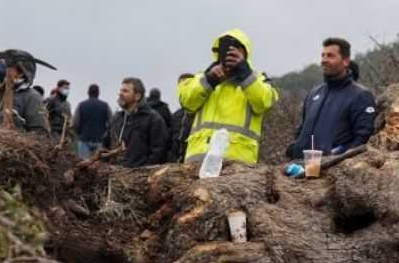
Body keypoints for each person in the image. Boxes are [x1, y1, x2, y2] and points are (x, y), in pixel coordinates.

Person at [178, 29, 279, 164]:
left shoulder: (258, 80)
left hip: (237, 165)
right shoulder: (203, 77)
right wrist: (209, 80)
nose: (231, 54)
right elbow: (186, 102)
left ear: (245, 54)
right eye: (227, 49)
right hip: (198, 161)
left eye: (237, 50)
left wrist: (245, 72)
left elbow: (263, 103)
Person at [287, 37, 376, 158]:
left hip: (333, 172)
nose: (324, 60)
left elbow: (363, 137)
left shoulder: (360, 96)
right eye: (323, 55)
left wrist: (338, 160)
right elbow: (301, 130)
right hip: (301, 168)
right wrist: (296, 149)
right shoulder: (314, 93)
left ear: (345, 61)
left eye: (330, 56)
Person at [108, 78, 169, 168]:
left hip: (139, 178)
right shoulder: (117, 118)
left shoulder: (153, 119)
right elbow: (105, 145)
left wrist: (144, 173)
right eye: (121, 90)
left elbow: (159, 151)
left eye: (125, 91)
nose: (120, 94)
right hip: (115, 176)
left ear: (137, 96)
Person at [0, 54, 48, 137]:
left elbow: (39, 135)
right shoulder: (0, 94)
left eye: (5, 64)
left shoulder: (32, 97)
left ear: (21, 72)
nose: (0, 67)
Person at [71, 84, 111, 158]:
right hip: (100, 140)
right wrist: (107, 136)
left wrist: (79, 133)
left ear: (88, 92)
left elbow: (74, 124)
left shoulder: (81, 105)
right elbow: (111, 124)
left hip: (84, 140)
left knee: (84, 165)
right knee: (99, 166)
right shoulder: (105, 106)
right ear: (98, 93)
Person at [169, 73, 194, 163]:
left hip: (194, 160)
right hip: (176, 162)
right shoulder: (176, 115)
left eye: (186, 85)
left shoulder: (202, 112)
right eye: (180, 86)